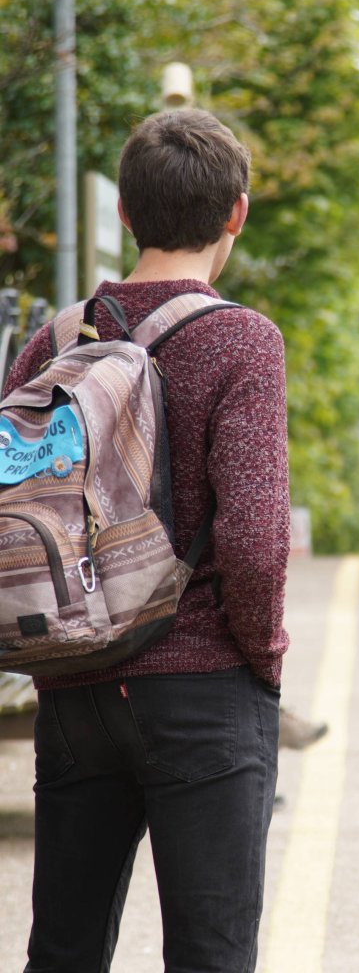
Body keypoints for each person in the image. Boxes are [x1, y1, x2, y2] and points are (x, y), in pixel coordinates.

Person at [7, 108, 290, 973]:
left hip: (75, 684)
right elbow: (254, 537)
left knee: (63, 949)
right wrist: (263, 660)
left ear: (126, 215)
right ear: (236, 213)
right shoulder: (241, 338)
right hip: (202, 688)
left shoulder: (53, 342)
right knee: (210, 954)